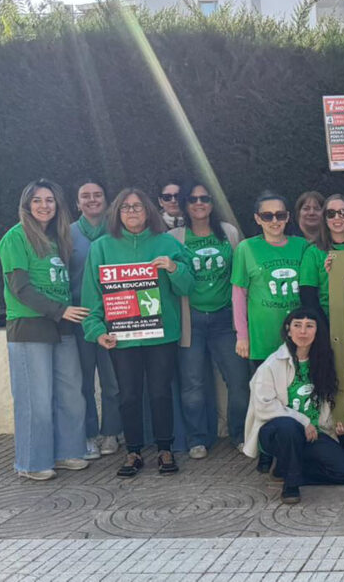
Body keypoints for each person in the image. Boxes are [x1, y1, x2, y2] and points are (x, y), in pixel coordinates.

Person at [81, 188, 195, 478]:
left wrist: (173, 267)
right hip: (122, 336)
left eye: (138, 207)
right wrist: (96, 331)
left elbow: (187, 286)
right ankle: (132, 451)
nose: (132, 212)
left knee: (160, 393)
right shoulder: (102, 247)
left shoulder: (167, 243)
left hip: (161, 335)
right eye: (126, 207)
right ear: (116, 213)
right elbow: (92, 294)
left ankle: (164, 448)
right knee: (128, 395)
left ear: (148, 211)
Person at [0, 180, 90, 481]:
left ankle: (67, 452)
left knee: (70, 394)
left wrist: (64, 313)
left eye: (50, 200)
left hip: (62, 325)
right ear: (27, 206)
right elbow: (20, 288)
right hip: (30, 326)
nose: (44, 206)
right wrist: (59, 309)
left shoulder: (58, 238)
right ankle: (31, 462)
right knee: (35, 399)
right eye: (37, 200)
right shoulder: (15, 238)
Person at [243, 307, 344, 504]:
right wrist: (303, 422)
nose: (303, 332)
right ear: (288, 330)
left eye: (309, 326)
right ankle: (291, 485)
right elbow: (264, 406)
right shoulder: (272, 365)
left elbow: (330, 403)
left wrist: (339, 426)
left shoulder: (323, 363)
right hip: (277, 434)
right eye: (297, 326)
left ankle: (287, 469)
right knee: (288, 427)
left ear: (317, 331)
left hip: (314, 433)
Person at [168, 180, 249, 459]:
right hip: (191, 320)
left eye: (204, 198)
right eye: (192, 199)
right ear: (185, 204)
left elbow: (241, 276)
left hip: (226, 319)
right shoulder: (175, 236)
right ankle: (197, 439)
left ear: (212, 203)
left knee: (238, 381)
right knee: (192, 383)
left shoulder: (229, 233)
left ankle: (239, 433)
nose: (199, 203)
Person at [295, 193, 344, 469]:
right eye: (331, 213)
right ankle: (341, 441)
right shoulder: (314, 253)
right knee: (335, 386)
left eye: (343, 213)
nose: (338, 218)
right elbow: (308, 297)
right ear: (324, 219)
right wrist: (327, 332)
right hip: (331, 328)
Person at [69, 178, 121, 459]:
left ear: (106, 200)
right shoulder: (67, 234)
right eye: (85, 195)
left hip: (115, 317)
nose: (92, 199)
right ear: (77, 203)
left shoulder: (118, 233)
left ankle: (111, 432)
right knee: (84, 381)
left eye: (97, 194)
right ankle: (89, 434)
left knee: (113, 381)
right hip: (80, 320)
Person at [232, 192, 309, 372]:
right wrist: (242, 336)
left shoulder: (302, 246)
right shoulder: (246, 248)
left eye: (280, 215)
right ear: (258, 219)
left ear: (288, 217)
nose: (275, 221)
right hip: (263, 336)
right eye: (267, 216)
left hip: (298, 335)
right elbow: (238, 295)